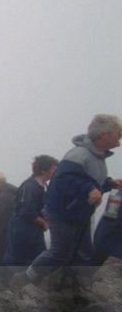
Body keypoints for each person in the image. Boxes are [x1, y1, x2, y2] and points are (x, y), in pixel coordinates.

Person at [25, 114, 122, 282]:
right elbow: (64, 178)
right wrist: (89, 188)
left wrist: (109, 184)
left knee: (83, 254)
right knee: (59, 252)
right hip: (63, 213)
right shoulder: (80, 154)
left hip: (79, 215)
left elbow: (90, 181)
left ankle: (70, 287)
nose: (120, 135)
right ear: (104, 134)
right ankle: (28, 277)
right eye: (117, 131)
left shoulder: (98, 156)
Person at [4, 155, 57, 271]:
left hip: (34, 230)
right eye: (53, 168)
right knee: (22, 261)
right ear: (44, 170)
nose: (55, 171)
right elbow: (26, 211)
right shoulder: (30, 187)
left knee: (36, 258)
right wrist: (43, 222)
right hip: (23, 230)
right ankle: (15, 285)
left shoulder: (43, 186)